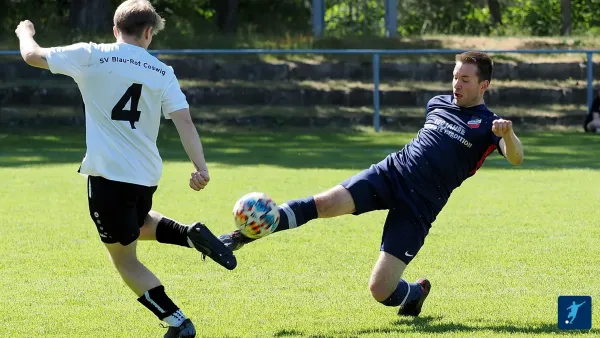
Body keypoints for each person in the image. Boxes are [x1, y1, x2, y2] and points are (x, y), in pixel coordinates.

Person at [219, 51, 524, 317]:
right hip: (391, 173)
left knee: (380, 290)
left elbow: (516, 157)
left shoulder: (489, 125)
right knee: (323, 204)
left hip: (420, 205)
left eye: (466, 80)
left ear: (484, 85)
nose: (457, 84)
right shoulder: (437, 104)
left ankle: (415, 294)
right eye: (455, 77)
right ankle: (242, 236)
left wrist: (507, 134)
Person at [15, 1, 236, 337]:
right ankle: (189, 236)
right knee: (136, 223)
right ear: (149, 33)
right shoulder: (162, 72)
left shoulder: (91, 54)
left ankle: (178, 323)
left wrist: (25, 31)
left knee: (124, 259)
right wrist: (200, 167)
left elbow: (32, 56)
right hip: (146, 176)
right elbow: (185, 121)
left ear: (115, 29)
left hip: (108, 176)